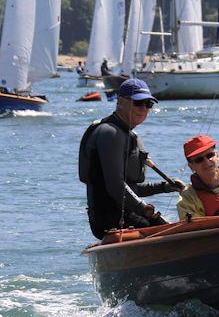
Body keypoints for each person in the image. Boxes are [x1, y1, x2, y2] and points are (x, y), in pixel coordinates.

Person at [79, 78, 185, 239]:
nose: (143, 108)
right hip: (110, 220)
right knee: (173, 234)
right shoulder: (110, 133)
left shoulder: (128, 134)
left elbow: (131, 188)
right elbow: (115, 185)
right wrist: (143, 208)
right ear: (121, 101)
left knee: (177, 227)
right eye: (138, 103)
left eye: (148, 104)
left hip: (128, 214)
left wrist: (164, 187)